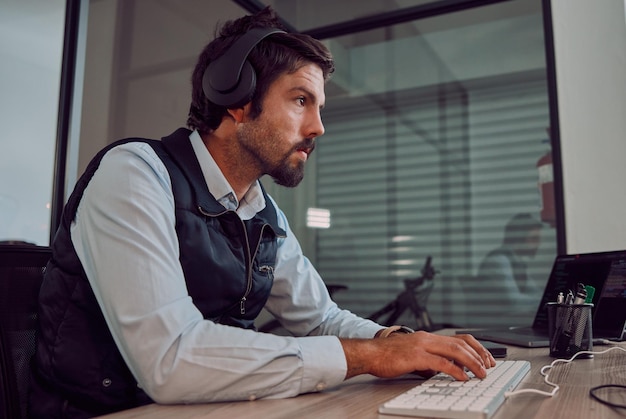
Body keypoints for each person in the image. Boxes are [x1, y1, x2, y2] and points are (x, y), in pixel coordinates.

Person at [29, 7, 495, 418]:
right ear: (237, 98)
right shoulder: (134, 174)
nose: (318, 127)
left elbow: (320, 318)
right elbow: (169, 361)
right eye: (300, 100)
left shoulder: (261, 211)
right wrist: (368, 358)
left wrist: (398, 343)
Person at [470, 213, 543, 326]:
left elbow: (534, 292)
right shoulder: (498, 261)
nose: (538, 244)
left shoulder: (517, 262)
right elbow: (513, 301)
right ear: (519, 238)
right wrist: (544, 302)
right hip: (491, 325)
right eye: (534, 239)